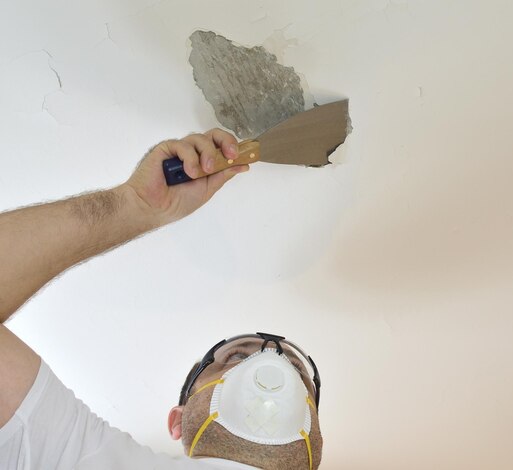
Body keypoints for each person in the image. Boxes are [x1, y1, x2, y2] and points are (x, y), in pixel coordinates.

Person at [0, 129, 323, 469]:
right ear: (179, 421)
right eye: (233, 358)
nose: (270, 364)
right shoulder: (85, 455)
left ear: (318, 440)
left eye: (297, 370)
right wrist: (134, 205)